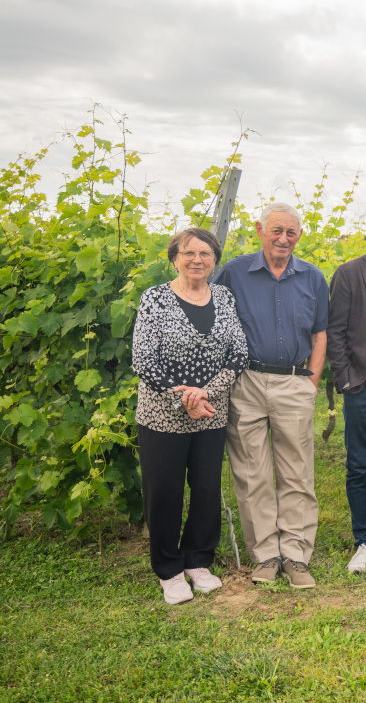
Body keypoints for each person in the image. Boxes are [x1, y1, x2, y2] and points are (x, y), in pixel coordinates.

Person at [212, 202, 328, 590]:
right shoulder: (232, 273)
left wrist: (310, 382)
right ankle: (265, 555)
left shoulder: (312, 277)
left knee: (297, 471)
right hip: (246, 382)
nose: (283, 239)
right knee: (251, 473)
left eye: (291, 232)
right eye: (276, 231)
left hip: (294, 382)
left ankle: (296, 555)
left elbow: (320, 334)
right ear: (260, 229)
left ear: (299, 235)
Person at [132, 227, 248, 605]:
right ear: (174, 258)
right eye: (188, 253)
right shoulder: (155, 299)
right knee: (163, 491)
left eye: (205, 253)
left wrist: (206, 392)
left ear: (215, 259)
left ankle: (198, 560)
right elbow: (143, 359)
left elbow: (238, 354)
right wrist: (182, 396)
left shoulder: (225, 297)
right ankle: (168, 569)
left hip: (211, 413)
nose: (197, 260)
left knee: (205, 488)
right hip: (163, 414)